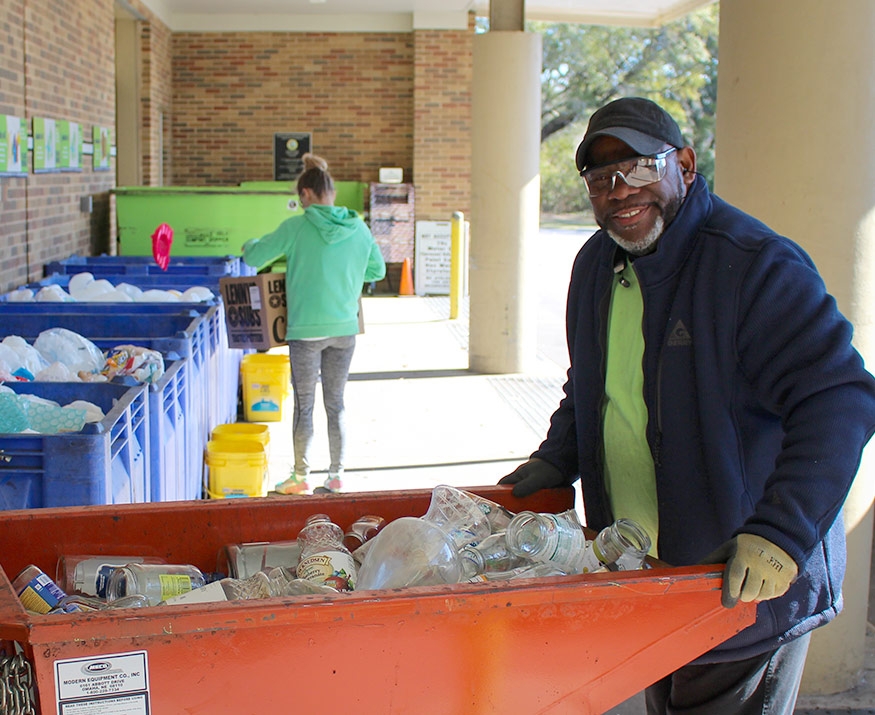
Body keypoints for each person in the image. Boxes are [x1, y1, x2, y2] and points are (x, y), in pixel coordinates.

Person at [499, 97, 875, 714]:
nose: (620, 190)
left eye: (640, 168)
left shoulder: (756, 266)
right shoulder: (596, 264)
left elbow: (839, 398)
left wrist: (780, 533)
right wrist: (556, 457)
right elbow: (594, 384)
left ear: (686, 165)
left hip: (738, 588)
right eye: (600, 178)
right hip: (646, 575)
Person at [243, 153, 386, 494]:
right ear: (332, 193)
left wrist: (250, 243)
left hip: (306, 332)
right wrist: (348, 276)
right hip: (344, 329)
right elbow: (377, 271)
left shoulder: (296, 227)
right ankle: (336, 475)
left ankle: (299, 476)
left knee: (304, 405)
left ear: (305, 194)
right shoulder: (359, 228)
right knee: (335, 404)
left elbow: (254, 256)